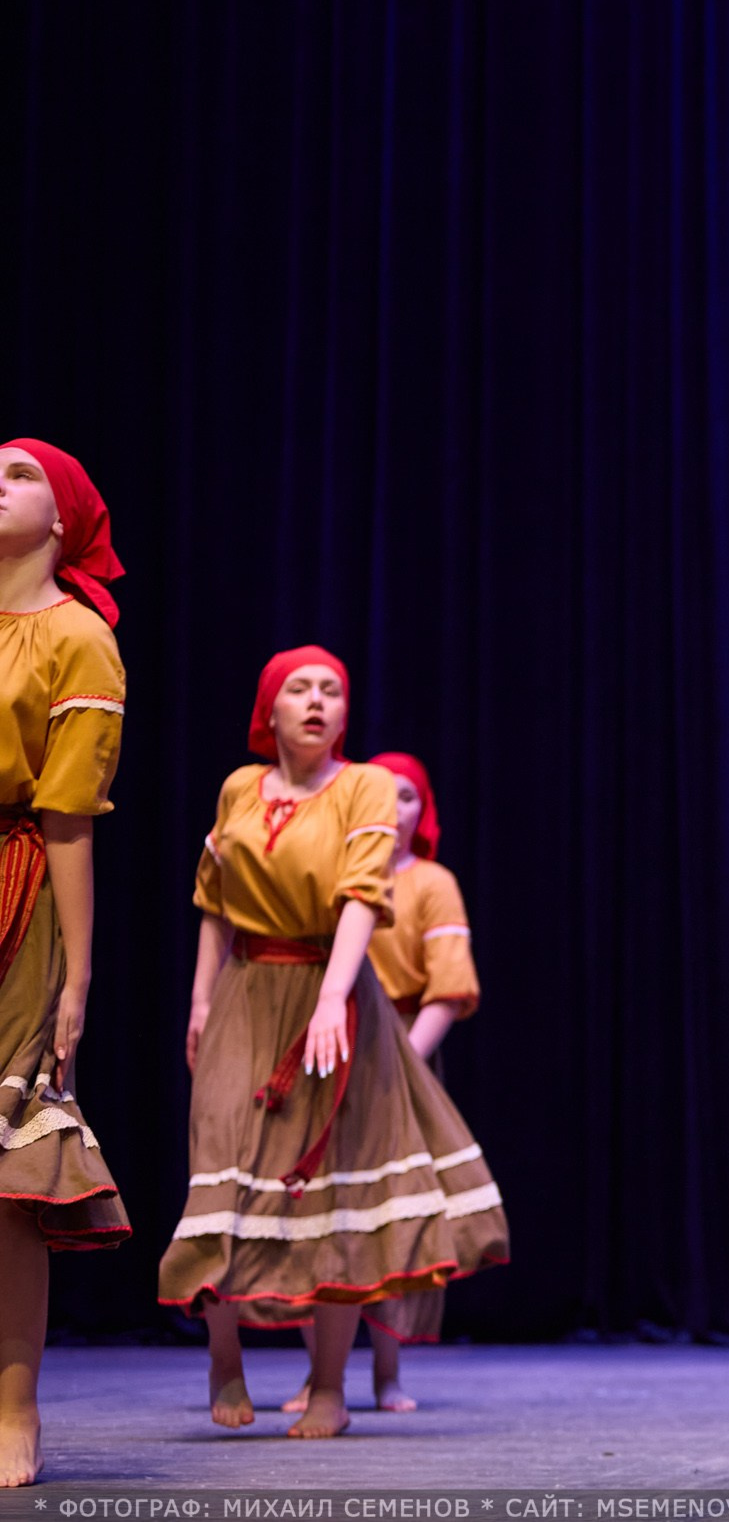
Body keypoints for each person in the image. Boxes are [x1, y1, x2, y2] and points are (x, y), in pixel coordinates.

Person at [159, 648, 509, 1440]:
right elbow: (214, 900)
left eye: (333, 691)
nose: (316, 702)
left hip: (336, 997)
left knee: (337, 1191)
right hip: (247, 994)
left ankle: (329, 1388)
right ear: (270, 710)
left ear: (345, 715)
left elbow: (360, 897)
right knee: (221, 1168)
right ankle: (224, 1353)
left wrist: (330, 998)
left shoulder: (365, 787)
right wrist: (200, 998)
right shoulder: (239, 789)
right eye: (299, 689)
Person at [0, 440, 128, 1487]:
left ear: (61, 517)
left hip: (16, 892)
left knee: (7, 1176)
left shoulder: (77, 639)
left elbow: (68, 819)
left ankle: (14, 1406)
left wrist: (75, 977)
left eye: (16, 473)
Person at [278, 751, 480, 1415]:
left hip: (399, 1055)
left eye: (408, 797)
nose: (394, 809)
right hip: (326, 1048)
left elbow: (446, 990)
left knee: (387, 1218)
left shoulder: (431, 883)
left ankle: (386, 1375)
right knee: (314, 1218)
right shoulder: (335, 873)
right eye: (382, 795)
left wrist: (404, 1063)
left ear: (423, 811)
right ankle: (319, 1376)